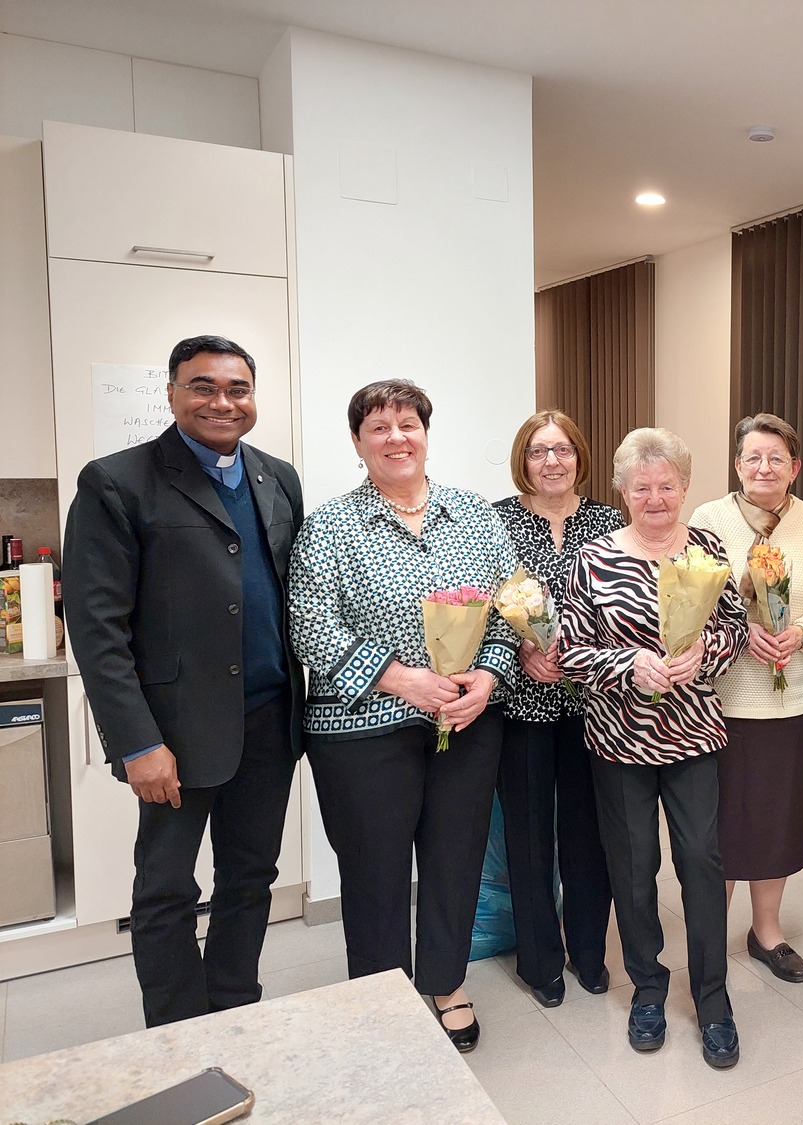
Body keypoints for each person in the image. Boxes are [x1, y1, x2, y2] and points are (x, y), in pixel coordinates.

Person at [64, 334, 304, 1027]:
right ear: (171, 394)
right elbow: (97, 628)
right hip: (175, 730)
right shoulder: (117, 481)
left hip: (269, 720)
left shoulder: (276, 477)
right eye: (203, 386)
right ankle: (175, 1033)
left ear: (253, 398)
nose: (222, 402)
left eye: (238, 389)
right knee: (167, 889)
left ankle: (233, 1011)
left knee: (250, 877)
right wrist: (137, 742)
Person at [288, 380, 517, 1054]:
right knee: (375, 869)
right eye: (379, 427)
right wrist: (400, 679)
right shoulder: (329, 526)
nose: (396, 437)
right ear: (357, 441)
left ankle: (447, 982)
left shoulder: (475, 515)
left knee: (455, 858)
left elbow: (513, 606)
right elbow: (309, 625)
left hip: (465, 721)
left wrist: (488, 675)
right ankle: (381, 996)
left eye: (408, 423)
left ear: (425, 432)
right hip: (360, 729)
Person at [557, 427, 748, 1069]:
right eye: (643, 488)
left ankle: (713, 999)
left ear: (685, 487)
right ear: (623, 491)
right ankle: (648, 987)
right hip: (619, 740)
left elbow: (735, 626)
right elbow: (571, 650)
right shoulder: (592, 558)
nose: (656, 498)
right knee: (634, 869)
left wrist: (706, 652)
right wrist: (628, 665)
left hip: (694, 733)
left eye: (667, 486)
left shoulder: (707, 547)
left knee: (702, 863)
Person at [689, 413, 803, 983]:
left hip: (790, 700)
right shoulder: (709, 519)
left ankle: (767, 931)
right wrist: (742, 628)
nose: (764, 467)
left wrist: (799, 632)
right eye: (753, 457)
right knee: (721, 826)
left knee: (777, 820)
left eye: (776, 458)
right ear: (737, 465)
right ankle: (710, 937)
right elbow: (687, 600)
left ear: (795, 467)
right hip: (722, 702)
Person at [493, 410, 622, 1007]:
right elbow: (483, 604)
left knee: (588, 835)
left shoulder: (608, 521)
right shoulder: (495, 522)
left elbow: (627, 603)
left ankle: (589, 952)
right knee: (528, 838)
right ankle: (539, 958)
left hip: (596, 704)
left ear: (579, 456)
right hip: (522, 705)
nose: (552, 461)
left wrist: (582, 654)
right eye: (539, 451)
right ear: (523, 459)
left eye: (563, 449)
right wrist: (522, 650)